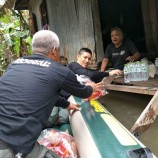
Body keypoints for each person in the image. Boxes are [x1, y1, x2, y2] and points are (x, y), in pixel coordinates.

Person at [0, 30, 104, 158]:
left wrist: (66, 104)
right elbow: (83, 92)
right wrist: (91, 87)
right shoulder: (59, 70)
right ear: (54, 50)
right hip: (14, 143)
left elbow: (41, 93)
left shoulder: (15, 64)